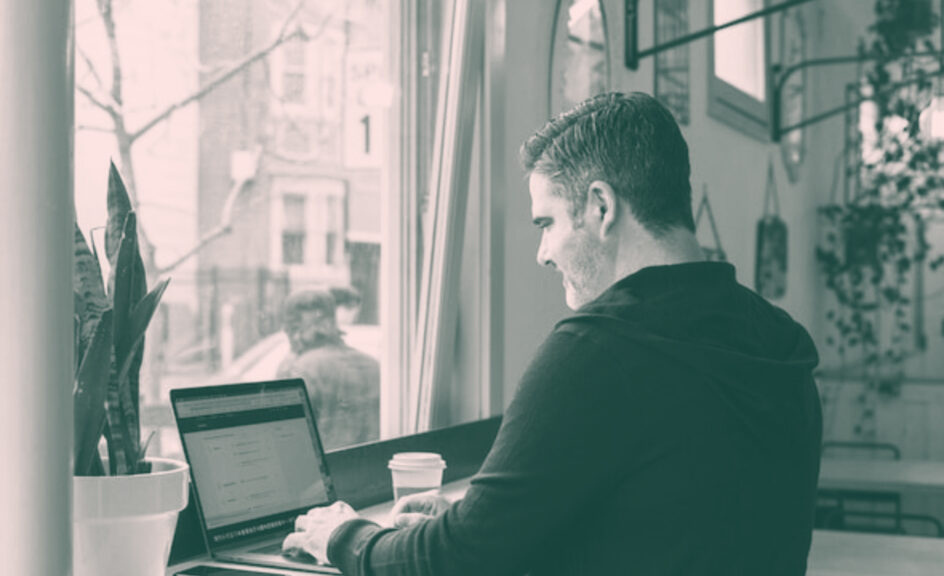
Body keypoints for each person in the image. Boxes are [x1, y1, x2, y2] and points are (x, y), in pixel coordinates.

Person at [282, 92, 823, 575]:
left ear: (601, 207)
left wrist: (343, 537)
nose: (542, 253)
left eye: (547, 223)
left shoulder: (600, 349)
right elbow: (677, 525)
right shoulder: (774, 341)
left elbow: (454, 562)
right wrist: (496, 521)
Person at [276, 288, 380, 450]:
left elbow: (284, 443)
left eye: (289, 329)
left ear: (294, 329)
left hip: (328, 471)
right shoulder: (373, 365)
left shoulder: (297, 370)